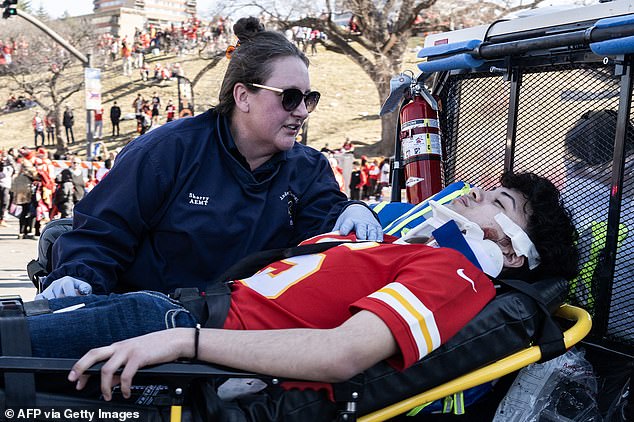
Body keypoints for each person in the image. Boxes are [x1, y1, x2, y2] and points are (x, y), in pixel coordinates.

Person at [25, 171, 578, 401]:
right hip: (166, 314)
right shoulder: (415, 246)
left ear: (509, 249)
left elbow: (341, 353)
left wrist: (182, 341)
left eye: (497, 202)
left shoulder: (456, 275)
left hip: (176, 335)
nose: (476, 194)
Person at [38, 17, 382, 300]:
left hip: (252, 337)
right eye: (290, 98)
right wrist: (77, 278)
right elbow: (102, 232)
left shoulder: (308, 167)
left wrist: (351, 210)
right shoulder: (166, 152)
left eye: (310, 98)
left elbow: (324, 235)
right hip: (156, 329)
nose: (303, 112)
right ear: (243, 96)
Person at [0, 150, 14, 227]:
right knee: (4, 202)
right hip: (2, 184)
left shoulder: (9, 164)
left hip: (6, 185)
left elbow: (11, 173)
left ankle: (2, 219)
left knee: (4, 202)